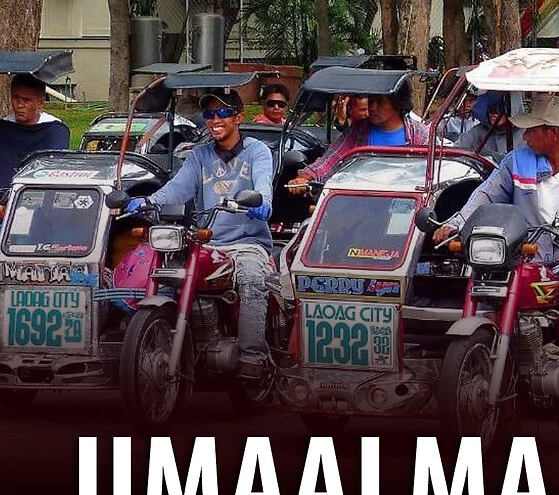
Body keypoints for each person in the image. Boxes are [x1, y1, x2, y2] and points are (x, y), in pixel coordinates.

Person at [432, 94, 559, 399]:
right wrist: (454, 224)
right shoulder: (517, 160)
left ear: (551, 132)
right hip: (527, 252)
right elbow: (485, 196)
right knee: (487, 280)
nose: (524, 136)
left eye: (531, 130)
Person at [125, 89, 275, 378]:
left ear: (238, 117)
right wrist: (146, 202)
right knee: (172, 275)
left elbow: (262, 183)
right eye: (209, 114)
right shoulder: (200, 155)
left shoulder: (257, 151)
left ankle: (252, 355)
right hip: (208, 241)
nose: (214, 119)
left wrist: (263, 203)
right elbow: (176, 188)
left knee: (252, 278)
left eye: (221, 113)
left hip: (247, 243)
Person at [287, 86, 431, 191]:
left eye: (380, 102)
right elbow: (332, 159)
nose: (372, 107)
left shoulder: (420, 135)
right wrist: (306, 178)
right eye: (371, 101)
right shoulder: (359, 130)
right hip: (360, 201)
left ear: (398, 104)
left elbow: (430, 174)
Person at [0, 74, 70, 191]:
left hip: (37, 193)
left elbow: (53, 169)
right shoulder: (4, 127)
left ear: (40, 103)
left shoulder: (55, 130)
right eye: (15, 98)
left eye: (26, 100)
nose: (19, 105)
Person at [456, 95, 524, 160]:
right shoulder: (480, 130)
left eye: (499, 110)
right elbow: (457, 149)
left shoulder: (524, 133)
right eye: (491, 110)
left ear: (511, 111)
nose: (493, 114)